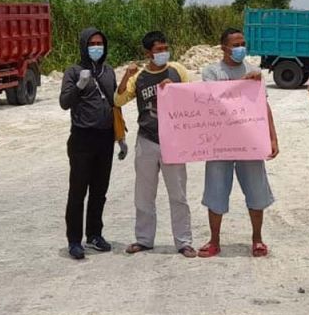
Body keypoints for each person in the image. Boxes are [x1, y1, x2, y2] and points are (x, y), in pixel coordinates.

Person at [197, 28, 280, 258]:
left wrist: (272, 137)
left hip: (249, 142)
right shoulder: (211, 72)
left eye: (243, 43)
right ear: (223, 47)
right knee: (216, 190)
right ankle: (214, 241)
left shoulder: (253, 71)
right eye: (235, 45)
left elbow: (263, 106)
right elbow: (213, 100)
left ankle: (257, 239)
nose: (240, 48)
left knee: (256, 190)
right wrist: (243, 84)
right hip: (219, 143)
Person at [116, 31, 196, 258]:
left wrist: (176, 89)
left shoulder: (176, 70)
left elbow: (194, 96)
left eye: (164, 48)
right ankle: (144, 239)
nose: (162, 53)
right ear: (147, 53)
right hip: (147, 139)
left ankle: (184, 242)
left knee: (178, 194)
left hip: (174, 141)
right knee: (144, 193)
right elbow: (119, 99)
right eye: (158, 50)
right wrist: (125, 75)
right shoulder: (139, 77)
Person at [58, 27, 117, 261]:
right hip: (82, 138)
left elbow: (115, 103)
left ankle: (94, 234)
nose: (96, 47)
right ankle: (74, 240)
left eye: (100, 43)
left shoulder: (109, 71)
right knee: (78, 191)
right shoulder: (73, 71)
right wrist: (79, 86)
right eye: (92, 43)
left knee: (100, 190)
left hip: (106, 138)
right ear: (84, 45)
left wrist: (120, 138)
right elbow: (64, 102)